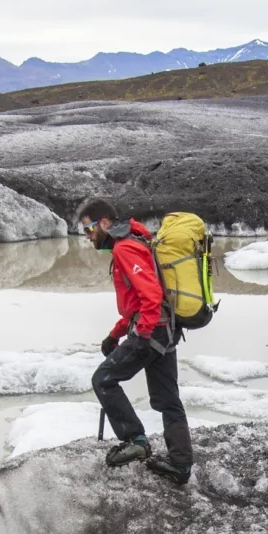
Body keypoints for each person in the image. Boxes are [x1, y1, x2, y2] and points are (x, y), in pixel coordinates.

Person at [81, 201, 192, 484]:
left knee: (103, 379)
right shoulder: (137, 239)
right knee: (168, 400)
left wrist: (141, 335)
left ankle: (135, 440)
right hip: (165, 328)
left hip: (152, 330)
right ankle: (180, 464)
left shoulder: (125, 248)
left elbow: (151, 295)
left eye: (89, 228)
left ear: (104, 223)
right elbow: (136, 303)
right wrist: (115, 334)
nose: (88, 236)